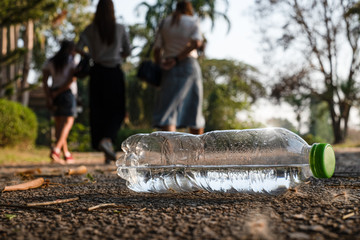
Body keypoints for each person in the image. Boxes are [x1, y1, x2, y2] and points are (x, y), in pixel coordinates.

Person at [76, 0, 131, 164]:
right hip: (113, 71)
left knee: (98, 110)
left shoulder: (90, 29)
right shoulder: (120, 28)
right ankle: (107, 140)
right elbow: (127, 51)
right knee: (116, 110)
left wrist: (89, 56)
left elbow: (78, 47)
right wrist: (115, 56)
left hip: (97, 72)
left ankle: (103, 144)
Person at [153, 0, 205, 135]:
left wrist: (161, 64)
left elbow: (157, 49)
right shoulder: (192, 21)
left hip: (168, 68)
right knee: (195, 112)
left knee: (168, 114)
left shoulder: (165, 23)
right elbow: (197, 43)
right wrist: (178, 58)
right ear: (189, 8)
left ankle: (171, 154)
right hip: (189, 66)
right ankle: (197, 154)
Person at [42, 40, 78, 164]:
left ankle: (66, 154)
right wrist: (58, 93)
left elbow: (45, 81)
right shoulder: (71, 60)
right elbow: (71, 79)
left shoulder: (51, 61)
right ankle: (56, 150)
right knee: (68, 122)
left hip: (54, 92)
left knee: (59, 124)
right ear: (71, 49)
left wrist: (49, 96)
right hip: (67, 94)